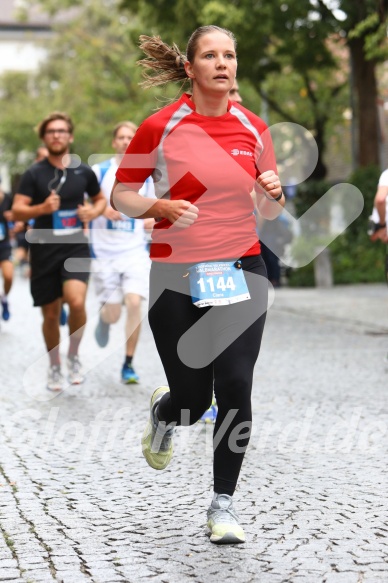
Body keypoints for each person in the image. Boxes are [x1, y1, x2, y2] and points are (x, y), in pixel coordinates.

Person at [111, 26, 285, 545]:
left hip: (241, 270)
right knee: (191, 399)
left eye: (229, 54)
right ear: (190, 68)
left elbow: (268, 212)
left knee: (235, 383)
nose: (222, 63)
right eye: (210, 55)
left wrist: (271, 191)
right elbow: (122, 195)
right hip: (176, 275)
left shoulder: (255, 128)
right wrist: (159, 206)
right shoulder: (159, 127)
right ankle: (167, 412)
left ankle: (222, 503)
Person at [12, 112, 106, 391]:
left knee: (76, 302)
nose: (57, 135)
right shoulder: (33, 174)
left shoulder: (83, 172)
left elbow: (100, 199)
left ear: (70, 136)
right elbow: (17, 209)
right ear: (44, 137)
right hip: (43, 248)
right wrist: (41, 209)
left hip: (76, 245)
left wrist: (93, 210)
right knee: (51, 314)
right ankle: (54, 365)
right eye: (51, 131)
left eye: (62, 131)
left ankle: (74, 356)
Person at [91, 121, 154, 384]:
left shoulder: (148, 176)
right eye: (122, 137)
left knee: (133, 302)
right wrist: (102, 208)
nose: (127, 141)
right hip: (104, 252)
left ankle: (128, 363)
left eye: (132, 137)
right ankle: (105, 320)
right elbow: (85, 202)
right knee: (113, 312)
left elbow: (151, 211)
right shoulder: (99, 171)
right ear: (114, 142)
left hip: (135, 251)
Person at [0, 179, 13, 322]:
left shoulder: (7, 198)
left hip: (3, 245)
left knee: (8, 276)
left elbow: (16, 214)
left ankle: (4, 298)